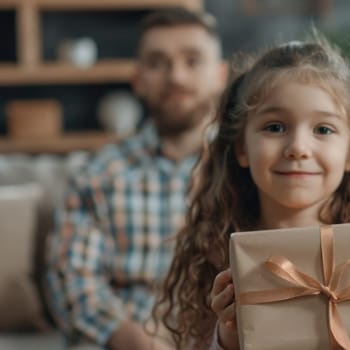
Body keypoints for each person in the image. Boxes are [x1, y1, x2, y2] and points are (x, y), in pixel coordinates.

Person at [155, 37, 350, 350]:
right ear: (242, 146)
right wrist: (227, 339)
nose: (298, 148)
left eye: (323, 129)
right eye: (274, 127)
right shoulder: (214, 253)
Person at [45, 7, 227, 350]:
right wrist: (134, 340)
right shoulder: (99, 175)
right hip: (127, 338)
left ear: (220, 75)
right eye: (158, 62)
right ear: (138, 80)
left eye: (193, 60)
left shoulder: (247, 167)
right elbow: (71, 280)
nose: (176, 76)